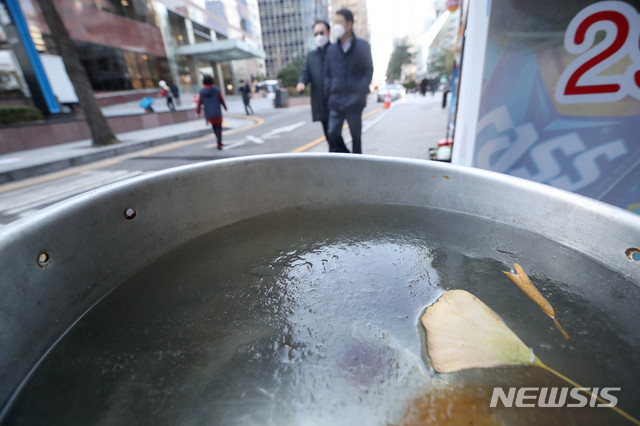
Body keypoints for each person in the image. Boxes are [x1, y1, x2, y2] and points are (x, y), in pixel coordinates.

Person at [323, 9, 373, 154]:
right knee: (332, 133)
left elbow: (368, 70)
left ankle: (357, 165)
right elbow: (327, 74)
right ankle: (346, 156)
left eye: (339, 22)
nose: (335, 25)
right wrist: (329, 90)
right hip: (335, 101)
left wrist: (361, 89)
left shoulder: (363, 47)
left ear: (349, 24)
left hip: (355, 101)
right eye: (335, 22)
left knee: (356, 137)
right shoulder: (331, 50)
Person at [296, 20, 344, 151]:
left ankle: (335, 158)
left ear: (328, 32)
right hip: (321, 101)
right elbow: (306, 72)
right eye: (316, 33)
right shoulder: (312, 56)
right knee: (330, 135)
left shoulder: (337, 51)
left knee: (334, 132)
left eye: (321, 32)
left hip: (336, 100)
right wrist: (301, 82)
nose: (319, 36)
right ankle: (343, 156)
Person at [196, 75, 228, 150]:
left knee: (214, 127)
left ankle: (218, 140)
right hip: (217, 111)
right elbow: (221, 99)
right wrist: (225, 107)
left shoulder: (202, 91)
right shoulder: (216, 90)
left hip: (209, 113)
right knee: (219, 127)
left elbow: (199, 102)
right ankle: (219, 142)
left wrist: (197, 112)